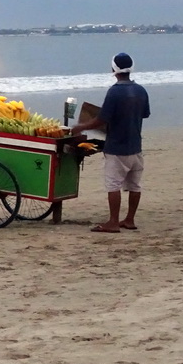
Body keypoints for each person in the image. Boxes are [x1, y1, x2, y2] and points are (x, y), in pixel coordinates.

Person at [69, 52, 151, 233]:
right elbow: (145, 114)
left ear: (113, 69)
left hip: (117, 147)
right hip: (136, 145)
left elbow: (101, 120)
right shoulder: (141, 90)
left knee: (113, 185)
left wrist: (81, 127)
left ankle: (113, 222)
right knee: (135, 185)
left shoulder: (114, 92)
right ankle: (129, 220)